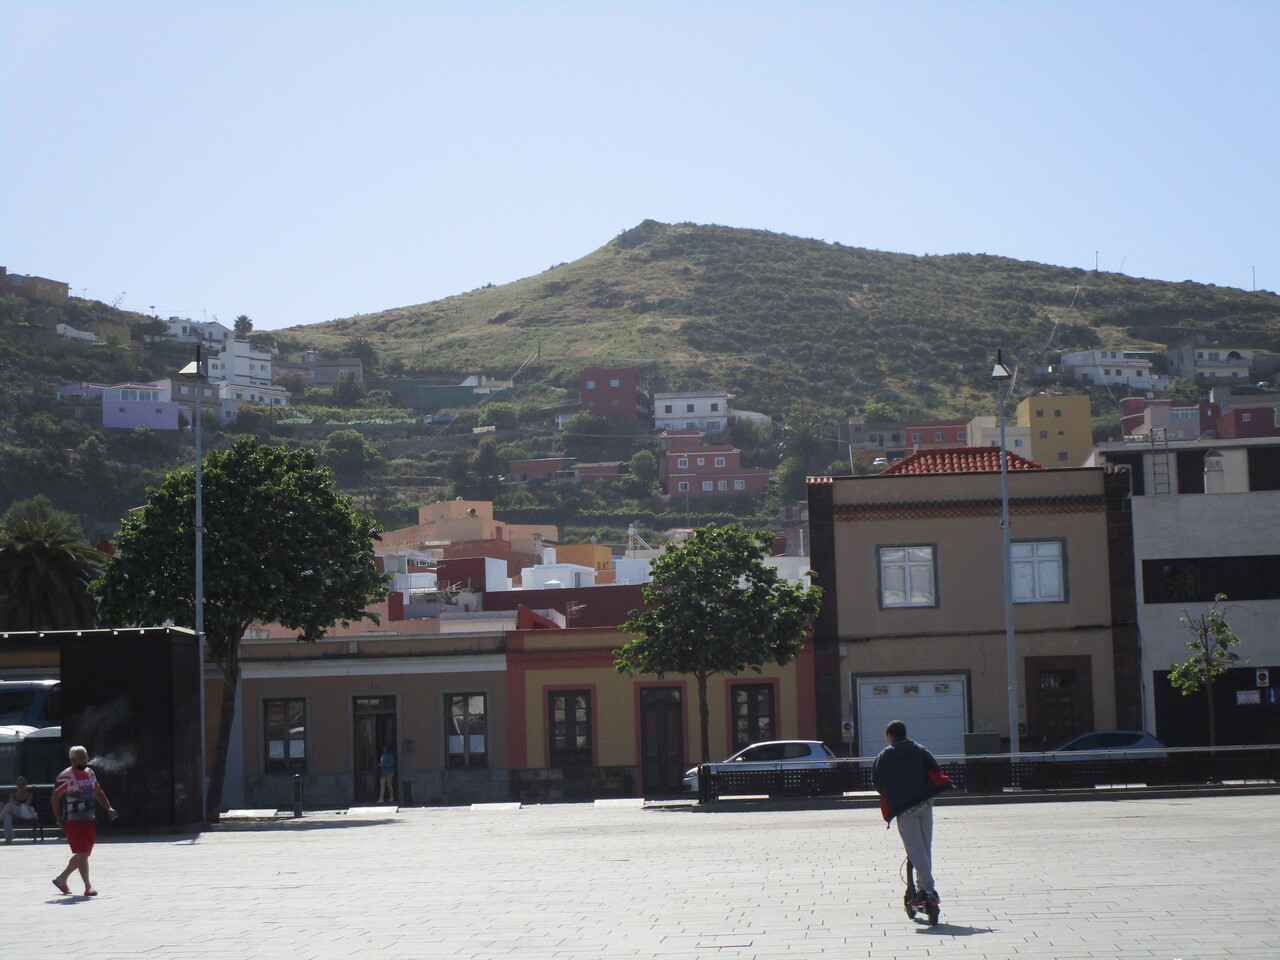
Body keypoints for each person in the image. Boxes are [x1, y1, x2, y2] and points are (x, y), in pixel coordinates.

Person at [871, 720, 954, 910]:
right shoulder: (919, 749)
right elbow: (936, 769)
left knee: (915, 850)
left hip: (905, 808)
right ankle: (923, 889)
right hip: (925, 804)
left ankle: (928, 890)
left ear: (890, 736)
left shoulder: (885, 755)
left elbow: (877, 782)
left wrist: (893, 791)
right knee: (925, 848)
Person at [51, 745, 116, 896]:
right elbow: (55, 798)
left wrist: (108, 808)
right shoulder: (65, 776)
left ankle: (62, 878)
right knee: (82, 852)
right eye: (81, 758)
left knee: (84, 854)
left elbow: (97, 791)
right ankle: (88, 886)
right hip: (73, 820)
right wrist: (59, 820)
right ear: (72, 761)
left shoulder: (89, 773)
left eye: (85, 757)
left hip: (88, 820)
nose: (85, 760)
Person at [3, 776, 37, 842]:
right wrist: (15, 804)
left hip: (24, 812)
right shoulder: (13, 795)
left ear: (25, 785)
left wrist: (16, 803)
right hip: (14, 813)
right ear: (17, 786)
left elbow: (26, 805)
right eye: (19, 785)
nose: (21, 786)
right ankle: (9, 837)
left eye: (23, 784)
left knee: (9, 806)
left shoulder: (29, 795)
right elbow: (10, 806)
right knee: (7, 816)